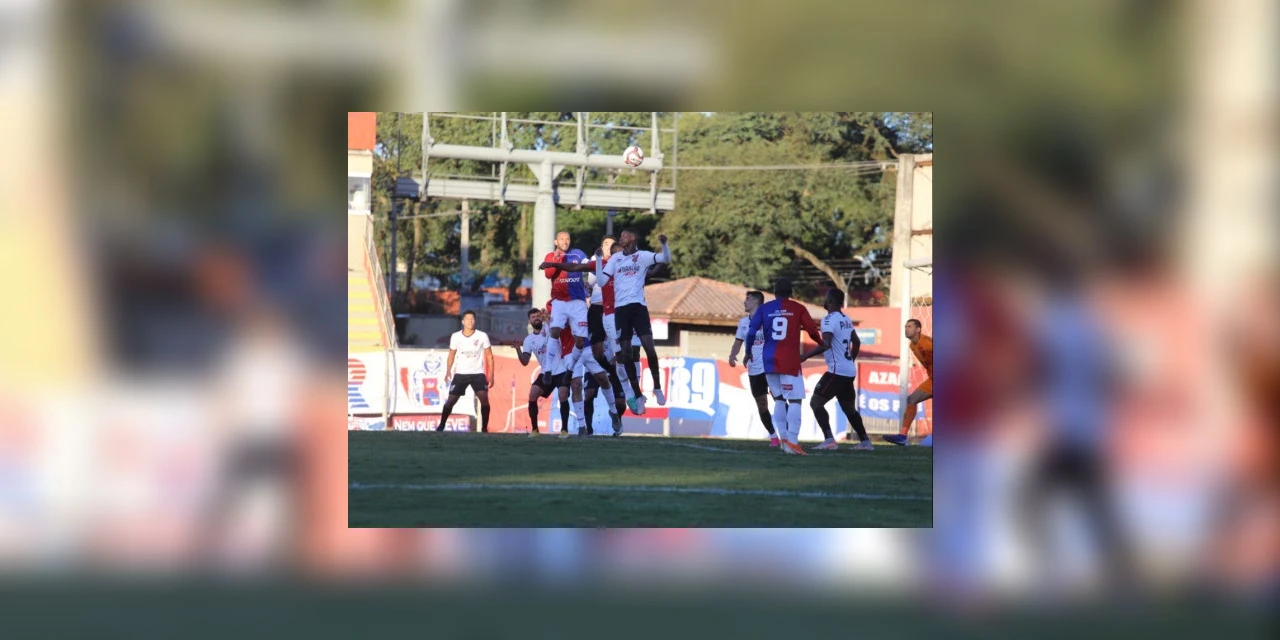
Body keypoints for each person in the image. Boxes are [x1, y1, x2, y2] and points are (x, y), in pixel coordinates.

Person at [593, 229, 671, 407]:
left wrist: (664, 244)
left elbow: (665, 259)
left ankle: (657, 388)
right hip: (621, 310)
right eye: (621, 236)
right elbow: (602, 281)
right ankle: (637, 394)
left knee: (649, 348)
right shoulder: (615, 258)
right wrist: (598, 260)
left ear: (633, 238)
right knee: (626, 353)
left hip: (639, 308)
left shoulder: (642, 256)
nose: (621, 238)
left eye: (624, 236)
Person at [745, 277, 822, 456]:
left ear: (774, 292)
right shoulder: (798, 308)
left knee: (779, 400)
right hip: (789, 360)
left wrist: (748, 352)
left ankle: (784, 440)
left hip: (768, 360)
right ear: (791, 292)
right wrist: (821, 342)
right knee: (794, 401)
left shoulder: (764, 308)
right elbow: (812, 330)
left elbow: (751, 332)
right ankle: (792, 442)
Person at [800, 289, 873, 451]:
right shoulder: (845, 319)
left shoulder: (828, 319)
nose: (824, 300)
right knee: (849, 409)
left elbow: (826, 344)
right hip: (848, 371)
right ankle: (865, 442)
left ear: (831, 301)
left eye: (826, 298)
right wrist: (850, 361)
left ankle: (829, 440)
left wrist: (805, 356)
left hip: (836, 371)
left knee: (816, 402)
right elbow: (857, 342)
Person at [729, 290, 780, 447]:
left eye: (748, 299)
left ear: (756, 302)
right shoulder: (743, 322)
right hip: (754, 369)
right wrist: (732, 355)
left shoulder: (769, 319)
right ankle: (774, 436)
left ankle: (788, 435)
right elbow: (738, 342)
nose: (744, 302)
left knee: (779, 400)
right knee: (762, 405)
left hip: (770, 366)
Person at [541, 230, 591, 385]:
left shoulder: (578, 254)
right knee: (555, 331)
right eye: (562, 239)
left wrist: (590, 281)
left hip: (578, 301)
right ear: (556, 242)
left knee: (580, 341)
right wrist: (556, 259)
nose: (565, 241)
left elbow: (589, 265)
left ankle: (570, 370)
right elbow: (548, 274)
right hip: (560, 301)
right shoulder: (550, 256)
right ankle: (548, 370)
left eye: (567, 238)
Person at [436, 310, 494, 432]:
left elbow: (489, 356)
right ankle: (441, 425)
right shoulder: (456, 336)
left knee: (484, 397)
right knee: (451, 400)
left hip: (478, 373)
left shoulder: (482, 336)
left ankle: (484, 428)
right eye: (467, 319)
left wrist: (491, 375)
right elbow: (451, 355)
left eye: (472, 319)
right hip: (461, 374)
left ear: (475, 321)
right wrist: (448, 371)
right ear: (463, 321)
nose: (470, 321)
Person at [885, 319, 933, 446]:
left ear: (918, 329)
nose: (906, 329)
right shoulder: (912, 345)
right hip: (932, 380)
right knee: (911, 400)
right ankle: (902, 436)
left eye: (910, 326)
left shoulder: (927, 343)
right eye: (906, 326)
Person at [513, 307, 553, 436]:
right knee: (532, 395)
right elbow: (525, 361)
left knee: (565, 394)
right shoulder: (529, 340)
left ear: (541, 317)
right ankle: (535, 430)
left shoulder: (548, 327)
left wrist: (548, 319)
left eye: (538, 316)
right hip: (545, 371)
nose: (536, 318)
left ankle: (567, 429)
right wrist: (518, 349)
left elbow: (556, 332)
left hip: (560, 369)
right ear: (529, 321)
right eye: (533, 317)